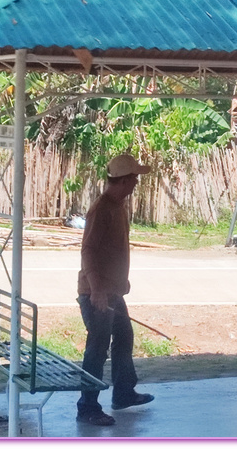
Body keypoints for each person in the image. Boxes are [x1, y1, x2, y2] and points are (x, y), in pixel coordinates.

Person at [75, 153, 155, 427]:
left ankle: (122, 393)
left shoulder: (118, 206)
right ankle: (87, 406)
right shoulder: (101, 209)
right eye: (134, 179)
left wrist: (120, 281)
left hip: (112, 290)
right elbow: (89, 251)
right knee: (97, 348)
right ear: (123, 180)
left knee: (123, 336)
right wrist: (96, 289)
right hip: (96, 293)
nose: (136, 183)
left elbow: (112, 251)